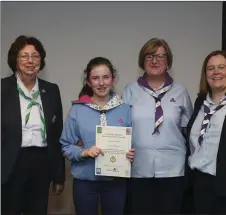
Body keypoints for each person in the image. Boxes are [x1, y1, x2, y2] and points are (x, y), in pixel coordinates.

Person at [122, 37, 193, 214]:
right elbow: (122, 128)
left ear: (167, 62)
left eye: (160, 57)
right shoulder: (130, 91)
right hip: (139, 169)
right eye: (149, 56)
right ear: (142, 61)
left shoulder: (181, 92)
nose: (155, 61)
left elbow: (189, 131)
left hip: (173, 170)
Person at [60, 57, 135, 215]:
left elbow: (130, 142)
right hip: (85, 181)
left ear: (113, 79)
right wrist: (83, 152)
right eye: (95, 78)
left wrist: (129, 153)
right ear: (88, 82)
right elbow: (65, 145)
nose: (101, 83)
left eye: (106, 77)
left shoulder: (125, 109)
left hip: (116, 182)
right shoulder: (77, 110)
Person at [1, 35, 65, 214]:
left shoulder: (51, 90)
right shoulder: (2, 89)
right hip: (10, 164)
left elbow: (57, 133)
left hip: (42, 162)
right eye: (24, 56)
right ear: (15, 59)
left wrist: (59, 176)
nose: (30, 61)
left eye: (35, 56)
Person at [186, 50, 226, 214]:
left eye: (221, 67)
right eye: (210, 68)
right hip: (199, 185)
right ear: (205, 74)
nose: (216, 72)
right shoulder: (200, 101)